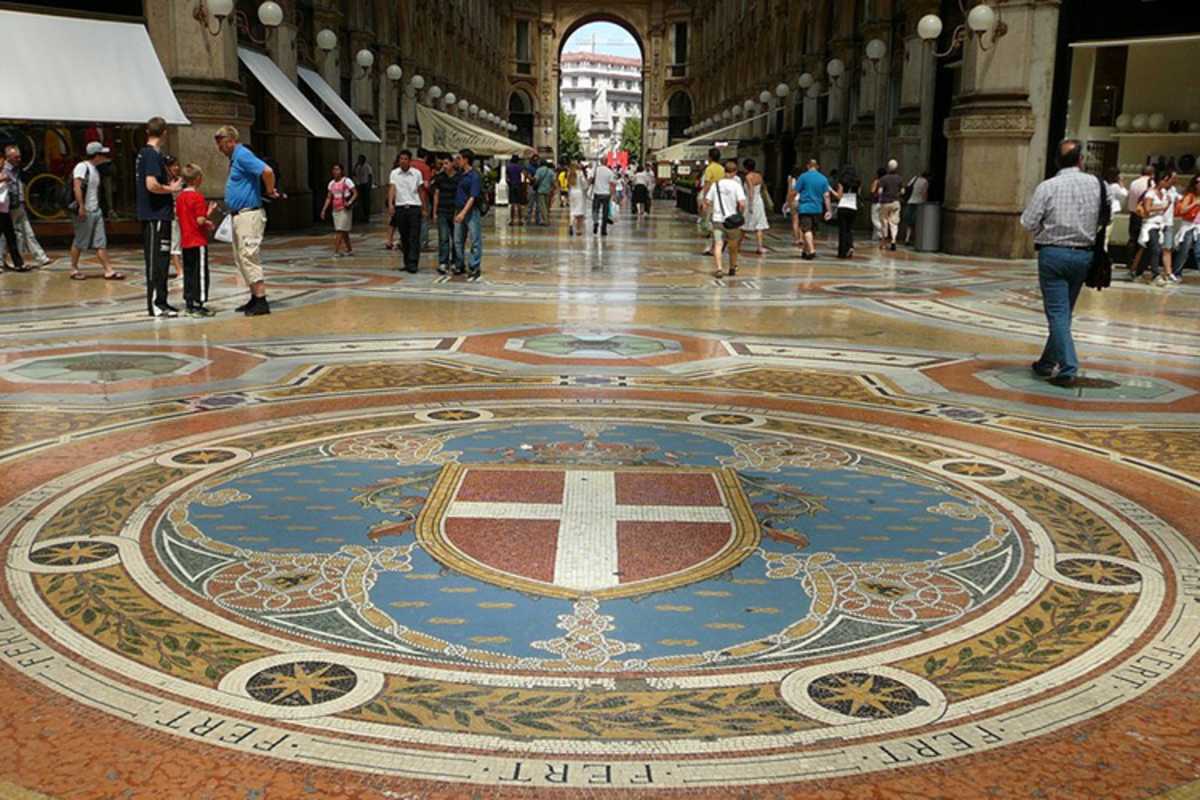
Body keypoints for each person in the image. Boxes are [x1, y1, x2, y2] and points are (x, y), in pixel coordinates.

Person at [1019, 139, 1107, 388]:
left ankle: (1068, 366)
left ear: (1057, 161)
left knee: (1057, 312)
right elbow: (1108, 214)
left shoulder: (1048, 186)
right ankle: (1046, 363)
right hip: (1084, 255)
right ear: (1081, 160)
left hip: (1053, 255)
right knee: (1064, 312)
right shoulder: (1098, 185)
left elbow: (1028, 222)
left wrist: (1045, 227)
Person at [215, 124, 278, 316]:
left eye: (222, 145)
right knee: (241, 257)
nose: (220, 149)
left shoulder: (242, 154)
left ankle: (261, 300)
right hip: (238, 215)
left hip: (249, 215)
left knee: (249, 255)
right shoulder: (236, 158)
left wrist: (269, 190)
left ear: (231, 141)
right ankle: (254, 297)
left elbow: (267, 171)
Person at [135, 116, 183, 317]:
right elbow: (151, 184)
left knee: (162, 260)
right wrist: (170, 188)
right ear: (164, 133)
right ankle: (156, 303)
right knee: (157, 261)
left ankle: (161, 301)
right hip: (155, 215)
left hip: (158, 215)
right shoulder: (152, 155)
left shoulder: (146, 154)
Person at [68, 141, 123, 281]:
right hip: (85, 210)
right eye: (103, 154)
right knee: (80, 241)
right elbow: (77, 186)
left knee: (100, 242)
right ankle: (73, 268)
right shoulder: (82, 167)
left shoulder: (95, 170)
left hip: (95, 210)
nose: (106, 157)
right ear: (97, 155)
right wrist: (81, 206)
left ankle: (108, 270)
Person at [175, 163, 218, 317]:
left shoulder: (180, 198)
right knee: (200, 272)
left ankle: (189, 302)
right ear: (198, 179)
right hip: (198, 241)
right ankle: (198, 304)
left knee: (188, 272)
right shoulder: (198, 197)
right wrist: (209, 213)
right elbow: (200, 220)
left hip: (185, 241)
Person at [0, 145, 50, 269]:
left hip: (18, 204)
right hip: (7, 206)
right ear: (8, 157)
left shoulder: (17, 169)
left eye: (19, 156)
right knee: (8, 236)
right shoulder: (3, 169)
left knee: (26, 231)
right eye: (16, 157)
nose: (19, 159)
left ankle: (40, 257)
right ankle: (4, 260)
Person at [703, 159, 747, 278]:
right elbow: (742, 203)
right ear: (735, 172)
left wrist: (706, 213)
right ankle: (732, 267)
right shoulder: (736, 185)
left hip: (717, 219)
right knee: (733, 245)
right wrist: (740, 214)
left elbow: (707, 201)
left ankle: (719, 268)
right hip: (732, 221)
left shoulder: (716, 184)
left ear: (724, 171)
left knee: (718, 244)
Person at [388, 150, 427, 274]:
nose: (403, 161)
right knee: (404, 237)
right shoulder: (394, 173)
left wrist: (424, 207)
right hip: (400, 207)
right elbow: (392, 189)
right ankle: (406, 262)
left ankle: (413, 263)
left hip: (414, 207)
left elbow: (420, 190)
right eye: (401, 159)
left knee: (414, 237)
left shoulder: (416, 173)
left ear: (410, 160)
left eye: (405, 159)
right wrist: (390, 204)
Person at [786, 159, 832, 260]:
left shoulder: (803, 177)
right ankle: (805, 251)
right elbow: (827, 196)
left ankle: (811, 250)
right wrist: (829, 210)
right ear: (818, 166)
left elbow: (794, 192)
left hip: (805, 207)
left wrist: (788, 203)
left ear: (808, 166)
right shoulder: (823, 179)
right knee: (812, 230)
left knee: (806, 229)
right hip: (818, 208)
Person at [1137, 170, 1174, 287]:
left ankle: (1138, 271)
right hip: (1150, 224)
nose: (1168, 183)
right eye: (1167, 180)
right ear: (1162, 180)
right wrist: (1162, 207)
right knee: (1155, 248)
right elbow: (1147, 208)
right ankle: (1155, 274)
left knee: (1148, 250)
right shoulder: (1150, 193)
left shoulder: (1163, 192)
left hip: (1159, 224)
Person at [452, 149, 482, 280]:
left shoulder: (474, 176)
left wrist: (463, 213)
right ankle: (459, 264)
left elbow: (473, 197)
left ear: (466, 160)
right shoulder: (459, 174)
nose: (457, 161)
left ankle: (474, 266)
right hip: (458, 209)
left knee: (474, 239)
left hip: (471, 211)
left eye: (459, 158)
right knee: (458, 240)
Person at [430, 154, 461, 275]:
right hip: (442, 211)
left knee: (455, 238)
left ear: (453, 163)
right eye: (443, 164)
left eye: (447, 163)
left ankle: (455, 262)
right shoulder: (439, 178)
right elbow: (436, 195)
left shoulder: (459, 178)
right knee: (443, 238)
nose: (444, 166)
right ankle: (443, 262)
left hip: (454, 211)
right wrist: (434, 212)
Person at [320, 163, 358, 257]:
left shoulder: (347, 181)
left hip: (345, 209)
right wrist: (324, 209)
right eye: (334, 169)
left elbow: (355, 193)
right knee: (344, 231)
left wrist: (349, 202)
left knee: (340, 230)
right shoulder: (331, 183)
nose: (335, 171)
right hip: (335, 209)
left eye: (337, 169)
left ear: (341, 171)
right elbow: (329, 197)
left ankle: (336, 251)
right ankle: (349, 250)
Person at [1125, 164, 1155, 275]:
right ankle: (1139, 264)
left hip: (1133, 213)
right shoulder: (1151, 184)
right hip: (1143, 214)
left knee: (1132, 238)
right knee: (1142, 240)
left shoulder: (1134, 182)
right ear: (1152, 173)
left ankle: (1129, 261)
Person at [1171, 174, 1199, 282]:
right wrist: (1195, 204)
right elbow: (1182, 210)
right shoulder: (1190, 196)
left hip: (1199, 226)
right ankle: (1176, 272)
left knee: (1198, 251)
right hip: (1189, 225)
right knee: (1184, 250)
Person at [741, 158, 769, 255]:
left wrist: (750, 204)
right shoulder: (759, 176)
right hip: (759, 201)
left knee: (744, 225)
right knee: (759, 225)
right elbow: (762, 188)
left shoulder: (748, 177)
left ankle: (738, 245)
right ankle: (760, 247)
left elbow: (751, 190)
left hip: (751, 200)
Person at [831, 167, 861, 259]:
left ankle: (842, 252)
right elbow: (858, 194)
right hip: (853, 207)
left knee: (842, 231)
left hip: (843, 207)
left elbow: (839, 196)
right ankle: (850, 246)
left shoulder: (841, 182)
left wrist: (831, 190)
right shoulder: (858, 182)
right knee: (849, 229)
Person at [700, 148, 725, 255]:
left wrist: (704, 200)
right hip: (722, 197)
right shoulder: (722, 168)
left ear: (709, 157)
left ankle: (715, 247)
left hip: (712, 198)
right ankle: (715, 246)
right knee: (718, 223)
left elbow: (707, 185)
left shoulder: (709, 169)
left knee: (710, 223)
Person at [164, 155, 184, 279]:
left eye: (177, 165)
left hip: (182, 215)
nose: (176, 167)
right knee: (175, 242)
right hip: (172, 215)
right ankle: (179, 270)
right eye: (172, 165)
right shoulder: (165, 183)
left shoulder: (181, 181)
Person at [877, 159, 903, 250]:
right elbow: (902, 191)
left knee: (884, 222)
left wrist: (880, 198)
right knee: (894, 223)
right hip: (895, 202)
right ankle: (893, 241)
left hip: (885, 202)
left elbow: (880, 191)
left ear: (888, 167)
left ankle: (883, 242)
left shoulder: (883, 179)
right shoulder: (899, 178)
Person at [902, 171, 930, 245]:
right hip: (919, 203)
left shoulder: (915, 178)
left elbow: (907, 187)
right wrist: (925, 202)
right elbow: (925, 193)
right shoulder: (925, 181)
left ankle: (907, 238)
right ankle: (917, 240)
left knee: (909, 223)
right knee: (918, 223)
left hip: (910, 201)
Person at [415, 149, 435, 251]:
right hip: (423, 198)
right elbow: (426, 185)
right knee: (424, 220)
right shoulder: (425, 167)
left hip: (410, 198)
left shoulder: (410, 164)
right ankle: (423, 242)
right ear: (425, 157)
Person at [590, 159, 615, 237]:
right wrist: (612, 195)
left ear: (600, 162)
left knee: (595, 210)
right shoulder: (610, 172)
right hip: (606, 194)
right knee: (605, 213)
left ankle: (595, 223)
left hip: (597, 193)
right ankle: (603, 230)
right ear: (607, 162)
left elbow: (591, 180)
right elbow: (611, 185)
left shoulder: (596, 170)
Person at [532, 157, 555, 226]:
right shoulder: (551, 171)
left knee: (542, 206)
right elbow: (553, 182)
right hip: (548, 190)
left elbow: (536, 179)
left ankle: (546, 221)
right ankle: (546, 219)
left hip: (540, 190)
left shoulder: (539, 170)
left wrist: (534, 184)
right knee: (547, 206)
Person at [567, 161, 588, 237]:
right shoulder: (580, 173)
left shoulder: (569, 174)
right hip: (579, 193)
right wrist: (586, 187)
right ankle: (578, 230)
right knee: (579, 212)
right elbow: (584, 184)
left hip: (572, 193)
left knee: (572, 210)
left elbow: (568, 185)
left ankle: (571, 224)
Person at [506, 155, 527, 227]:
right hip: (519, 186)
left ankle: (512, 220)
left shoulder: (508, 167)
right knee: (519, 204)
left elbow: (507, 178)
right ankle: (520, 220)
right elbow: (523, 176)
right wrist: (523, 185)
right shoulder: (520, 167)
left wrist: (509, 183)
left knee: (512, 204)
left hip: (512, 186)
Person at [353, 154, 373, 223]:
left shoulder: (367, 166)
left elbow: (370, 176)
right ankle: (362, 216)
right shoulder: (357, 166)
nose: (359, 160)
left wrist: (369, 185)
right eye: (359, 159)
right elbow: (354, 173)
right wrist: (355, 166)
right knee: (360, 201)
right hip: (359, 184)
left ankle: (367, 216)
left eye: (360, 159)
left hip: (365, 184)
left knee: (366, 201)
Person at [869, 167, 887, 242]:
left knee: (874, 219)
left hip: (876, 202)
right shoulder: (886, 182)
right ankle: (875, 237)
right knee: (879, 219)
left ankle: (883, 231)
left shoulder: (877, 181)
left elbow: (872, 191)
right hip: (884, 202)